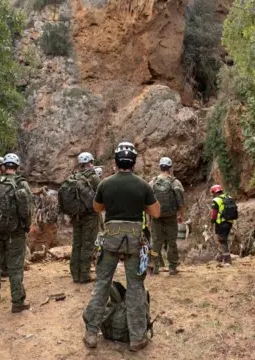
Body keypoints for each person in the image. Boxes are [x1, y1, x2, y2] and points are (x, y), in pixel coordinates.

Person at [83, 142, 161, 352]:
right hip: (136, 240)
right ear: (133, 162)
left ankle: (91, 333)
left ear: (115, 162)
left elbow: (97, 208)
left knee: (102, 284)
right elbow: (156, 213)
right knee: (135, 287)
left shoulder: (105, 184)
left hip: (110, 240)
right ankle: (137, 338)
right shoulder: (143, 185)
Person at [0, 153, 32, 312]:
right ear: (17, 167)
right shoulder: (21, 184)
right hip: (14, 232)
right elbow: (26, 210)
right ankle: (17, 302)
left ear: (4, 166)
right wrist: (26, 226)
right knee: (15, 267)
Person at [149, 157, 184, 275]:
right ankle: (172, 267)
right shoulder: (175, 182)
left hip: (156, 216)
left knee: (156, 242)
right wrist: (180, 215)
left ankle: (155, 266)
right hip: (171, 216)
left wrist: (151, 216)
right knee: (171, 242)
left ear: (160, 167)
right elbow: (181, 202)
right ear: (170, 168)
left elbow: (148, 201)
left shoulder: (152, 182)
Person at [69, 152, 101, 283]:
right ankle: (84, 275)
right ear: (90, 163)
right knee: (87, 245)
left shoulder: (74, 177)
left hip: (76, 216)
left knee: (77, 244)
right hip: (90, 217)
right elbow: (100, 196)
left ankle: (75, 274)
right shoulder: (93, 177)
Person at [210, 184, 233, 264]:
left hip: (221, 223)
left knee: (222, 240)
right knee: (223, 239)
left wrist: (212, 221)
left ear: (214, 192)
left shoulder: (216, 200)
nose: (212, 195)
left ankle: (227, 260)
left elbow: (214, 214)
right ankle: (221, 257)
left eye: (212, 193)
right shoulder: (229, 197)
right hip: (230, 222)